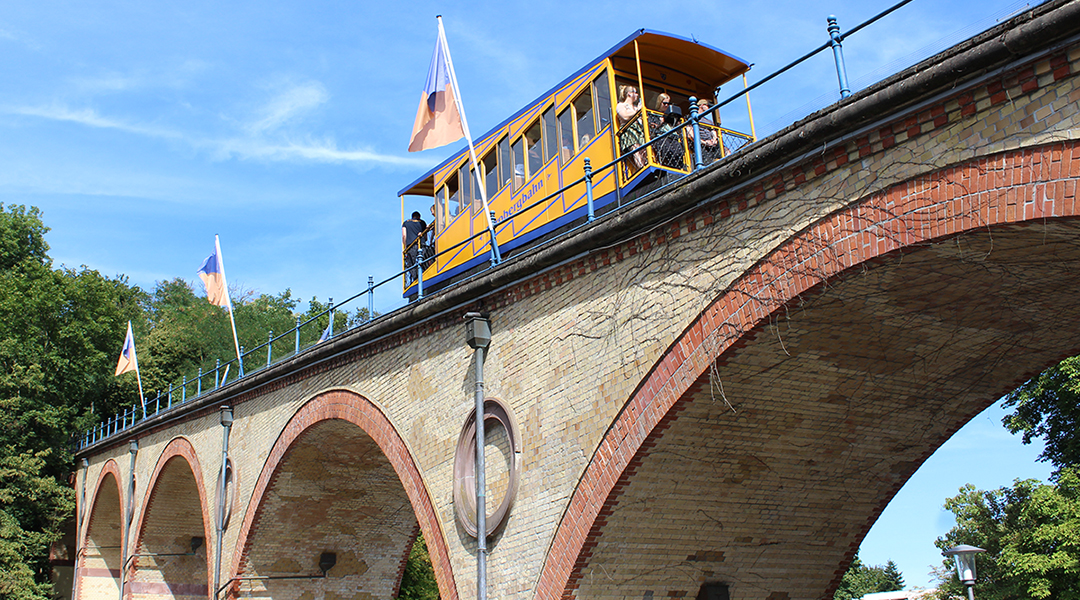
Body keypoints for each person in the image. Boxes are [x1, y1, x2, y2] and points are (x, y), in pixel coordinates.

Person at [616, 85, 646, 170]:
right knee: (636, 147)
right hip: (628, 130)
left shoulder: (636, 107)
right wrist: (637, 111)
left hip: (639, 129)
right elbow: (624, 116)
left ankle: (646, 164)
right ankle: (641, 168)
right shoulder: (621, 105)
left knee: (644, 148)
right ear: (629, 94)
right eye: (635, 93)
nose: (637, 95)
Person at [402, 211, 427, 283]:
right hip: (422, 244)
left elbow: (404, 235)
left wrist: (405, 247)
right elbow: (425, 237)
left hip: (411, 246)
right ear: (419, 217)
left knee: (411, 263)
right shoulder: (422, 222)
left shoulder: (406, 223)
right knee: (422, 260)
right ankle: (423, 275)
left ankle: (415, 278)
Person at [695, 98, 721, 163]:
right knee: (707, 161)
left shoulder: (709, 121)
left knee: (725, 152)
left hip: (712, 143)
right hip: (702, 145)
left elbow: (713, 130)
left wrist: (715, 139)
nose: (709, 109)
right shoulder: (694, 118)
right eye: (708, 106)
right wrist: (704, 142)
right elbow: (691, 133)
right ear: (702, 105)